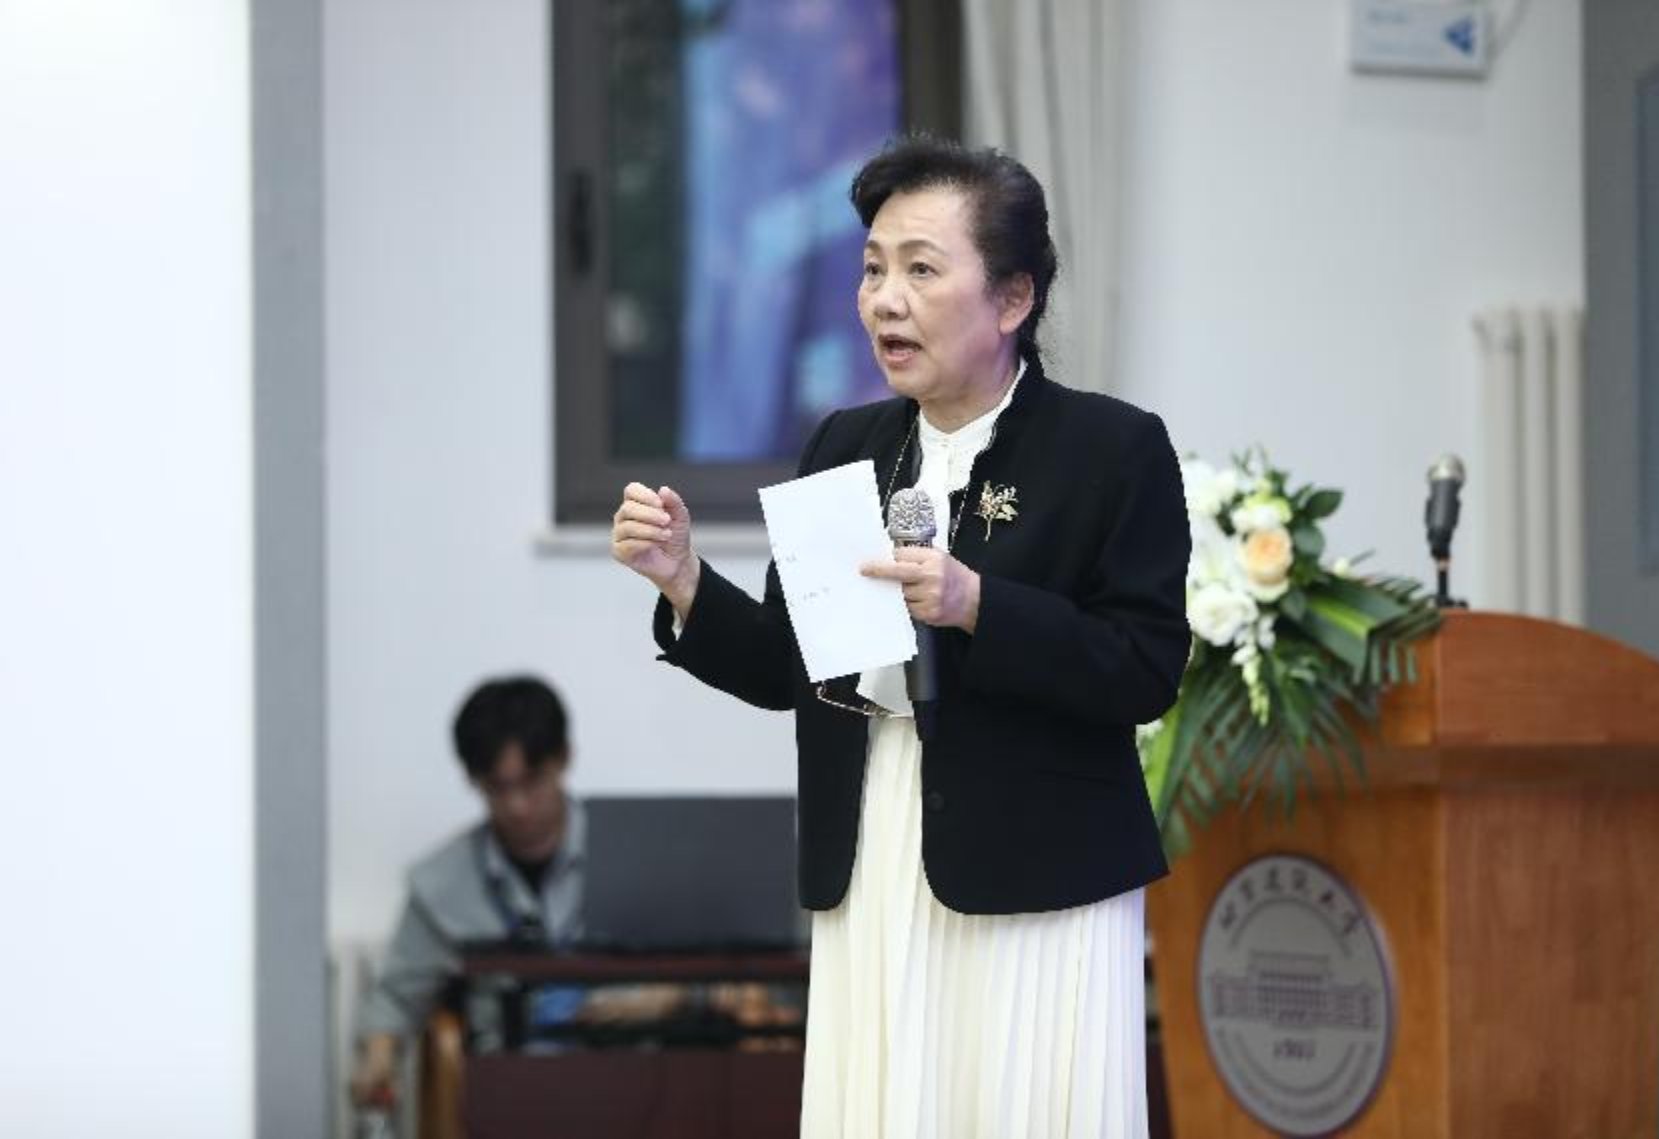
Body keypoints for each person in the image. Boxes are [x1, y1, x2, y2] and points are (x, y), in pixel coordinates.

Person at [611, 136, 1190, 1138]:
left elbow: (1144, 667)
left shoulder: (1109, 448)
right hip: (875, 845)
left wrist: (979, 604)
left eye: (921, 270)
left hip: (1037, 869)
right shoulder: (846, 444)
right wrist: (684, 579)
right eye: (873, 269)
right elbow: (787, 665)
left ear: (1012, 298)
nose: (885, 300)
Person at [349, 675, 588, 1110]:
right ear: (473, 780)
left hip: (630, 1081)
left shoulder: (632, 854)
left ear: (564, 758)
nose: (518, 806)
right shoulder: (441, 883)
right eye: (498, 787)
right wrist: (378, 1058)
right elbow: (396, 1000)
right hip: (505, 1097)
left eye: (532, 781)